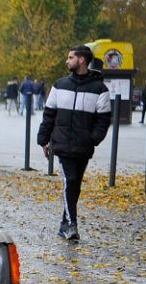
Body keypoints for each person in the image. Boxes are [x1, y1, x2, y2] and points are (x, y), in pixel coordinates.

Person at [37, 45, 112, 241]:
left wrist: (92, 139)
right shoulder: (59, 85)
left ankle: (64, 224)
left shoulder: (99, 89)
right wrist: (43, 140)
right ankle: (71, 225)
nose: (67, 61)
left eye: (70, 57)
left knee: (75, 185)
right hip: (62, 145)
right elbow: (49, 114)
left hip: (83, 146)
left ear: (81, 60)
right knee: (69, 181)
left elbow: (104, 120)